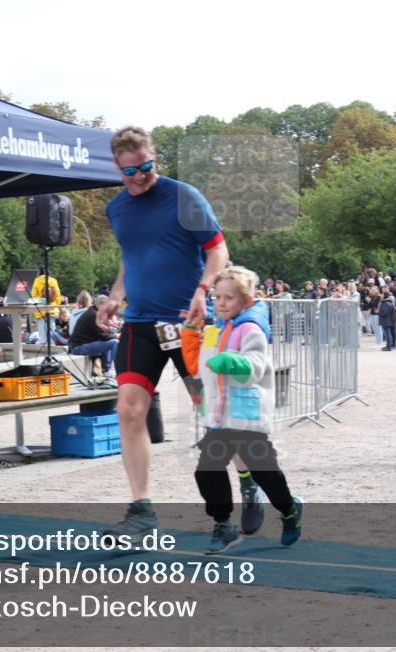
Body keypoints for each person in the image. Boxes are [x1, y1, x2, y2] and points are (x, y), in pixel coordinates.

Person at [97, 126, 235, 539]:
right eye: (130, 171)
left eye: (146, 167)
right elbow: (130, 256)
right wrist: (115, 295)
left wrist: (203, 290)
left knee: (211, 413)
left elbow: (217, 249)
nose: (139, 177)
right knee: (129, 410)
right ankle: (141, 511)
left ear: (154, 158)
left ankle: (250, 483)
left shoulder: (183, 196)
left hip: (188, 322)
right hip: (140, 324)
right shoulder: (116, 209)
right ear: (117, 168)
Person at [180, 266, 303, 553]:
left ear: (246, 301)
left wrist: (234, 363)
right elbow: (199, 367)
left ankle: (289, 510)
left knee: (265, 474)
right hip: (218, 418)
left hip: (246, 417)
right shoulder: (212, 330)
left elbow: (259, 365)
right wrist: (189, 336)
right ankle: (223, 524)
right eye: (217, 297)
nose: (221, 303)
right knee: (207, 469)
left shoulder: (251, 329)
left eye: (229, 298)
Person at [70, 295, 120, 377]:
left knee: (109, 342)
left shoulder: (93, 312)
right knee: (114, 342)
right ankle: (116, 370)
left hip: (80, 345)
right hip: (78, 347)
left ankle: (107, 370)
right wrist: (116, 335)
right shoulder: (93, 315)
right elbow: (102, 335)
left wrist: (111, 330)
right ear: (101, 304)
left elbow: (102, 334)